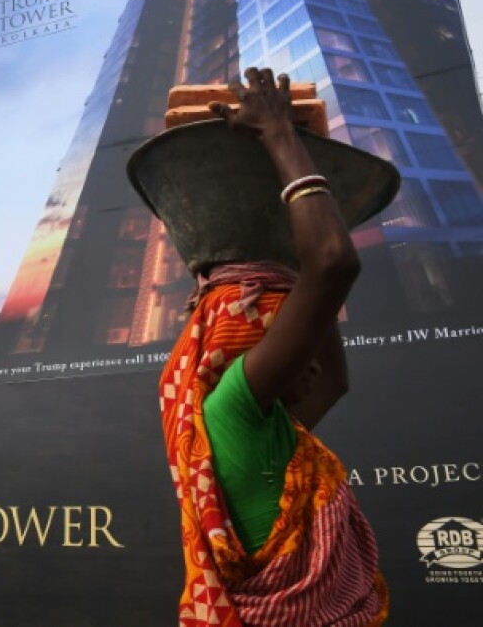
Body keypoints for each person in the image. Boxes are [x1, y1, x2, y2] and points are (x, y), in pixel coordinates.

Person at [154, 68, 388, 625]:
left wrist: (285, 247)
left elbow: (335, 379)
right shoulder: (232, 414)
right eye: (294, 332)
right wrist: (281, 136)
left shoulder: (263, 435)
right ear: (248, 350)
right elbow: (331, 266)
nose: (311, 351)